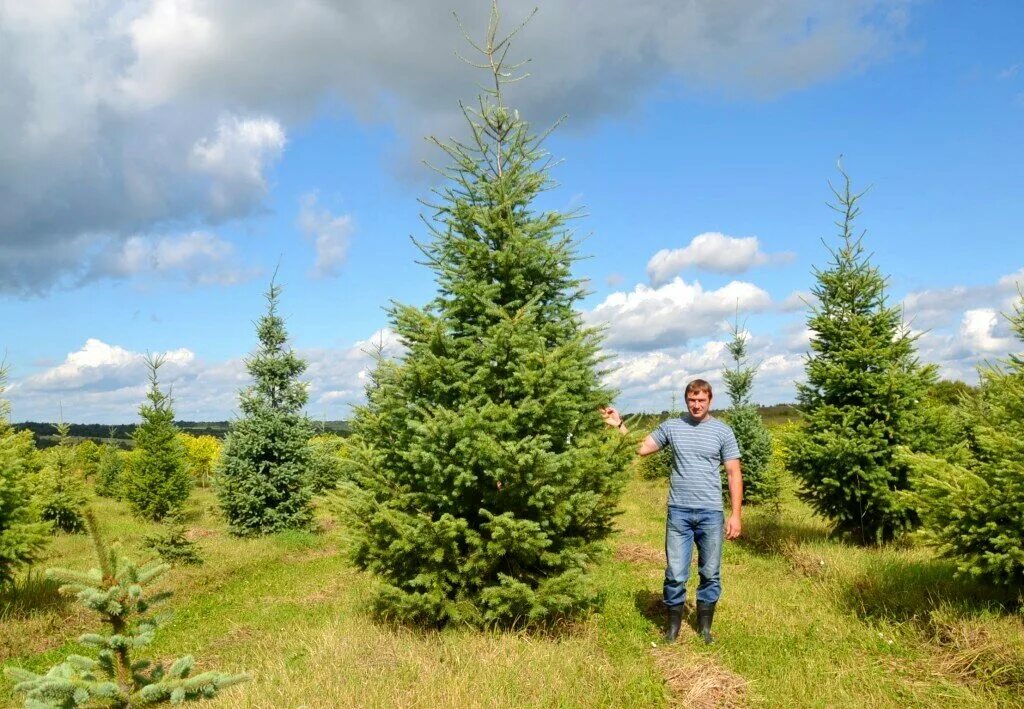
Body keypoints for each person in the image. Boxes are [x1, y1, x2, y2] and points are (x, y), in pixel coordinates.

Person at [602, 379, 742, 644]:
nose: (696, 404)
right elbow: (641, 448)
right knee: (675, 573)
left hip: (711, 513)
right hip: (679, 512)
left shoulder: (723, 432)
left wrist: (735, 514)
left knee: (710, 572)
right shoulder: (672, 427)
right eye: (692, 399)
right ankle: (673, 629)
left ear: (710, 400)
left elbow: (734, 473)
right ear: (686, 399)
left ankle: (705, 629)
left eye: (701, 400)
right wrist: (619, 425)